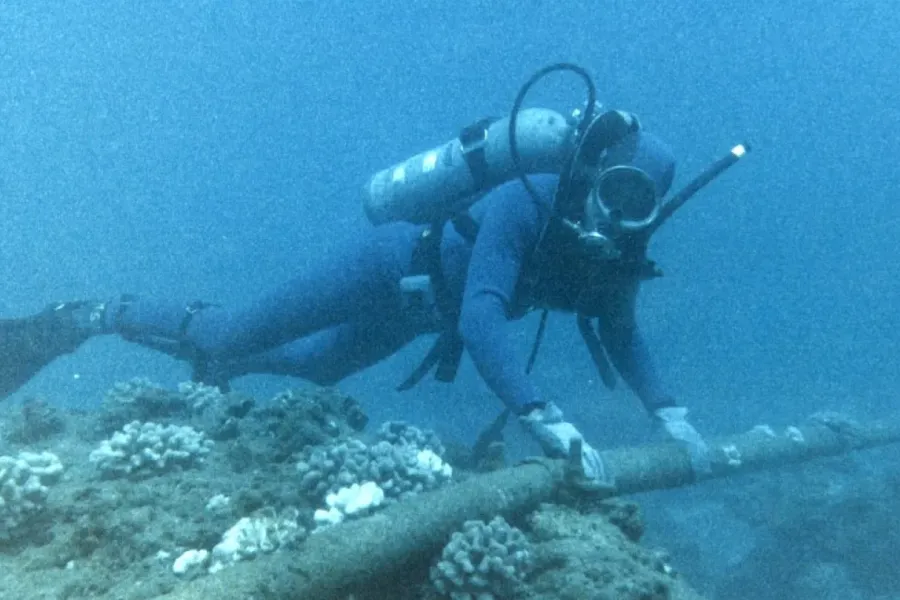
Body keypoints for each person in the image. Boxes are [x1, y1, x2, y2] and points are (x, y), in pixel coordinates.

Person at [1, 67, 740, 484]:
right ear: (592, 176)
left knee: (319, 369)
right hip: (388, 267)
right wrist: (542, 414)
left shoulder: (620, 252)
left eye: (639, 205)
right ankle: (92, 315)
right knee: (230, 329)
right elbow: (483, 314)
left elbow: (622, 334)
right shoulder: (531, 201)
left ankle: (220, 363)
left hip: (420, 314)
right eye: (615, 192)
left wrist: (669, 414)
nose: (618, 216)